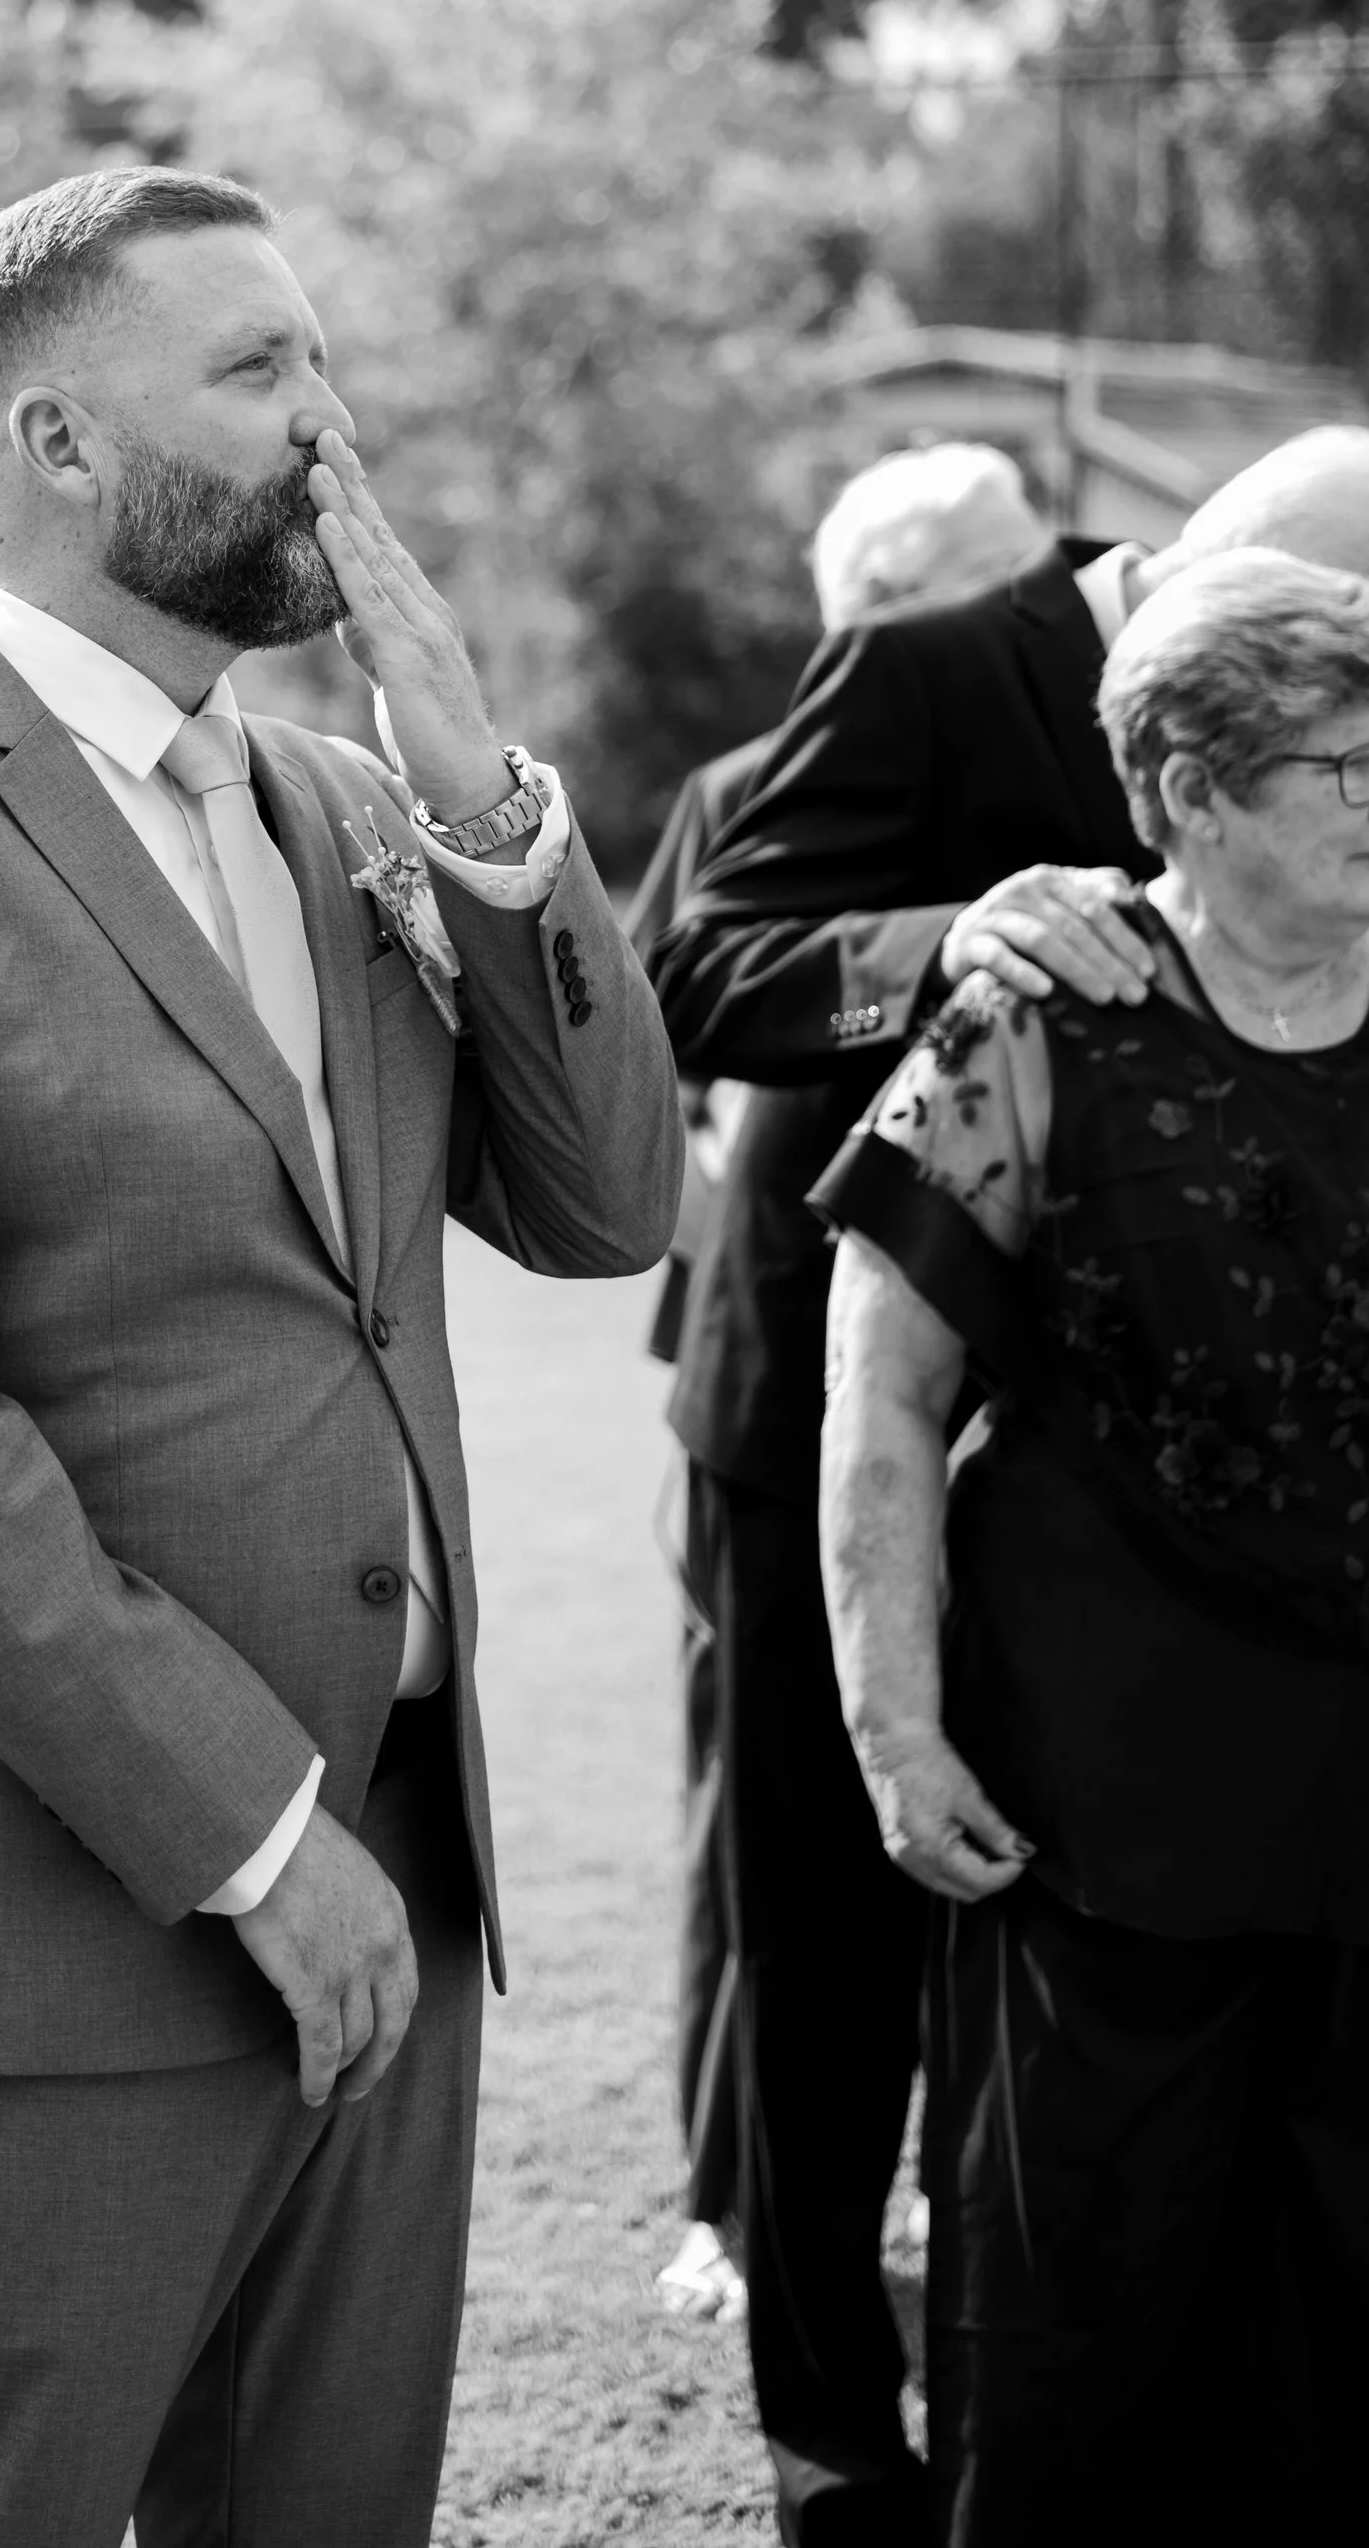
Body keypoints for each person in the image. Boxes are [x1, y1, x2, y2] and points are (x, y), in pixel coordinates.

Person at [0, 165, 685, 2548]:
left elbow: (604, 1201)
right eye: (255, 373)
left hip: (397, 1891)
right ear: (49, 442)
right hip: (40, 1946)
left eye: (321, 363)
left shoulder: (350, 809)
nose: (330, 430)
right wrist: (248, 1843)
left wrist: (483, 802)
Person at [644, 420, 1369, 2545]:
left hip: (1180, 1401)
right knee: (828, 1924)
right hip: (848, 1354)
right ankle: (834, 2448)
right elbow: (704, 953)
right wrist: (971, 929)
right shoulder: (942, 665)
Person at [630, 445, 1049, 2333]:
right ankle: (741, 2196)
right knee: (773, 1836)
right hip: (780, 1362)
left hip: (1003, 1390)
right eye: (1005, 582)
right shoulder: (743, 792)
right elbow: (668, 1051)